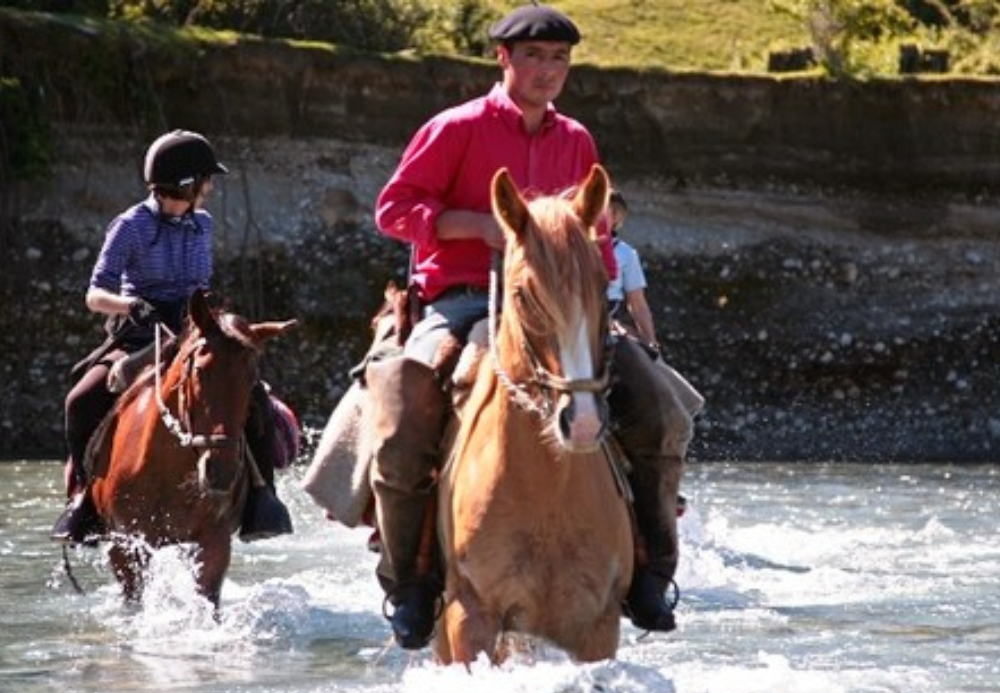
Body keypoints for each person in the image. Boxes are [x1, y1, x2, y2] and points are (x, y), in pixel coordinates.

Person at [370, 3, 696, 650]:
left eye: (560, 60)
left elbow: (595, 237)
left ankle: (651, 573)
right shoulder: (455, 128)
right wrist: (477, 226)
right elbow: (393, 209)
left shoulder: (576, 139)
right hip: (463, 300)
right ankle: (410, 581)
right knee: (402, 414)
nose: (548, 72)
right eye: (535, 58)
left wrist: (601, 299)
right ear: (504, 59)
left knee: (661, 409)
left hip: (569, 310)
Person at [51, 129, 293, 545]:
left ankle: (260, 496)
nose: (211, 188)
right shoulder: (129, 226)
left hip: (191, 329)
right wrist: (131, 306)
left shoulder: (203, 223)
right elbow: (95, 295)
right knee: (81, 399)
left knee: (252, 397)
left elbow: (201, 284)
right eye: (206, 180)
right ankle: (84, 501)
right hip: (137, 332)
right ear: (187, 184)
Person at [607, 189, 658, 348]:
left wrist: (651, 343)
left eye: (603, 212)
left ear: (616, 218)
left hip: (608, 326)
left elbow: (637, 304)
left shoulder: (626, 254)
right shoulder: (570, 250)